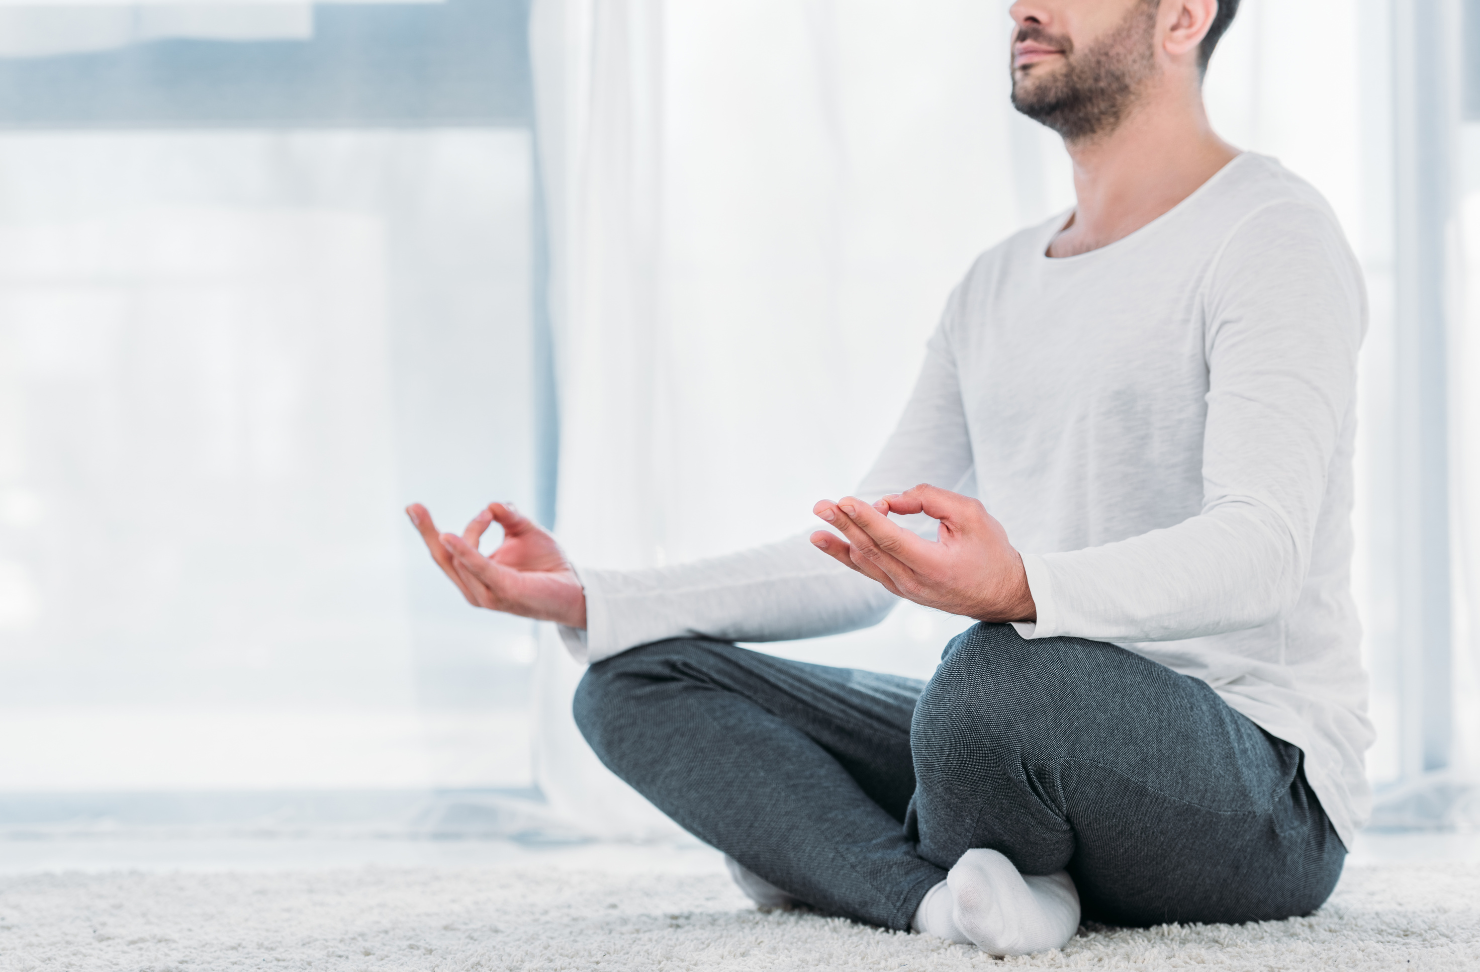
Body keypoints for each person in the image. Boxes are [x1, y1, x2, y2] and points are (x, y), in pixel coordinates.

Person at [406, 0, 1371, 956]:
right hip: (1020, 729)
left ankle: (833, 854)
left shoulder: (1270, 234)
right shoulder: (996, 283)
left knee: (989, 674)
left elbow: (1265, 548)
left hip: (1253, 789)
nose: (1023, 7)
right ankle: (939, 901)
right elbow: (857, 553)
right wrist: (587, 595)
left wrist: (1021, 588)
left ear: (1183, 19)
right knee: (634, 679)